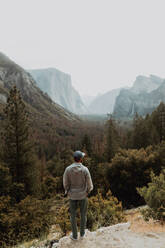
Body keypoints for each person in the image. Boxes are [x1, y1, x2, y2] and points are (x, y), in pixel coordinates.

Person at [63, 150, 93, 241]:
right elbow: (89, 184)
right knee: (83, 215)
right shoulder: (85, 169)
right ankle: (82, 234)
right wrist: (88, 191)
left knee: (73, 216)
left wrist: (67, 191)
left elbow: (65, 183)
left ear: (74, 158)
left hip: (72, 196)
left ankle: (75, 236)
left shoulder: (68, 169)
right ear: (81, 159)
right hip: (83, 195)